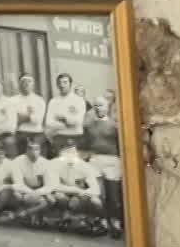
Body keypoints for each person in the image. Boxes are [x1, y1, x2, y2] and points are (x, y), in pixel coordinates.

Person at [86, 92, 127, 237]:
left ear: (107, 107)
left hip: (112, 161)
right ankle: (102, 221)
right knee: (98, 194)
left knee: (113, 195)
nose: (98, 108)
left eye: (101, 105)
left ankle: (114, 223)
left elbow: (122, 145)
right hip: (95, 160)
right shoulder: (89, 125)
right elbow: (84, 143)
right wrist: (88, 155)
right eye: (96, 105)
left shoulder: (115, 126)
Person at [46, 72, 89, 155]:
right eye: (59, 83)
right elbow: (49, 123)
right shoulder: (53, 101)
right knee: (59, 163)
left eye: (65, 82)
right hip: (59, 137)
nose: (62, 85)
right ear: (57, 85)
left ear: (70, 84)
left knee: (73, 164)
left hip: (75, 137)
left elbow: (78, 122)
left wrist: (63, 119)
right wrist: (68, 123)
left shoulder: (79, 100)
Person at [11, 74, 48, 149]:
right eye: (24, 81)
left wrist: (20, 117)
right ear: (20, 84)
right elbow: (12, 120)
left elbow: (37, 120)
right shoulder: (12, 100)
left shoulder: (39, 100)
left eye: (29, 81)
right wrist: (30, 116)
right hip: (19, 132)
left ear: (33, 84)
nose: (27, 84)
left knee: (35, 149)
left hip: (37, 133)